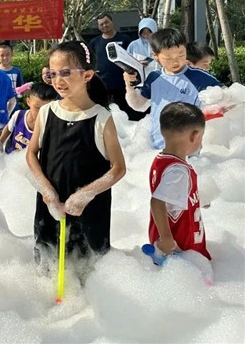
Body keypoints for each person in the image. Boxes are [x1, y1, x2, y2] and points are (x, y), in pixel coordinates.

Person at [26, 41, 126, 273]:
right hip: (50, 206)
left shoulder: (101, 118)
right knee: (48, 267)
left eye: (66, 73)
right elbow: (31, 154)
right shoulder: (46, 112)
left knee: (87, 272)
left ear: (87, 74)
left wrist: (85, 195)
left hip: (89, 211)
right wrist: (46, 190)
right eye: (53, 74)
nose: (58, 80)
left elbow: (118, 168)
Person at [124, 28, 222, 150]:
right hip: (157, 147)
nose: (176, 61)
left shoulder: (200, 77)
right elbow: (138, 105)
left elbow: (228, 98)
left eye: (181, 55)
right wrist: (129, 87)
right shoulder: (154, 78)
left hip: (191, 151)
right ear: (155, 55)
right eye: (168, 58)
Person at [148, 102, 210, 261]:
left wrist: (197, 200)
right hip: (180, 250)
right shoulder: (178, 171)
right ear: (194, 135)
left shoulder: (161, 160)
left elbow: (171, 199)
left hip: (175, 247)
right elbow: (157, 202)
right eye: (201, 137)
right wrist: (167, 238)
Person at [88, 14, 136, 118]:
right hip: (102, 84)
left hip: (121, 84)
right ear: (98, 27)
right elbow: (89, 59)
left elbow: (132, 59)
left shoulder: (124, 39)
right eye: (101, 24)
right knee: (102, 112)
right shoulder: (95, 42)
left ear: (112, 22)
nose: (104, 25)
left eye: (106, 22)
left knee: (126, 113)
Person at [0, 82, 58, 153]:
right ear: (28, 102)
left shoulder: (52, 126)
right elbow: (8, 129)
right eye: (37, 107)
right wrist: (0, 142)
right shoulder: (18, 115)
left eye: (46, 109)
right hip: (11, 157)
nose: (41, 112)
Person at [0, 41, 24, 113]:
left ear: (12, 54)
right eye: (2, 55)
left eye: (7, 55)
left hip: (14, 105)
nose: (5, 57)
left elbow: (20, 86)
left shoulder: (16, 71)